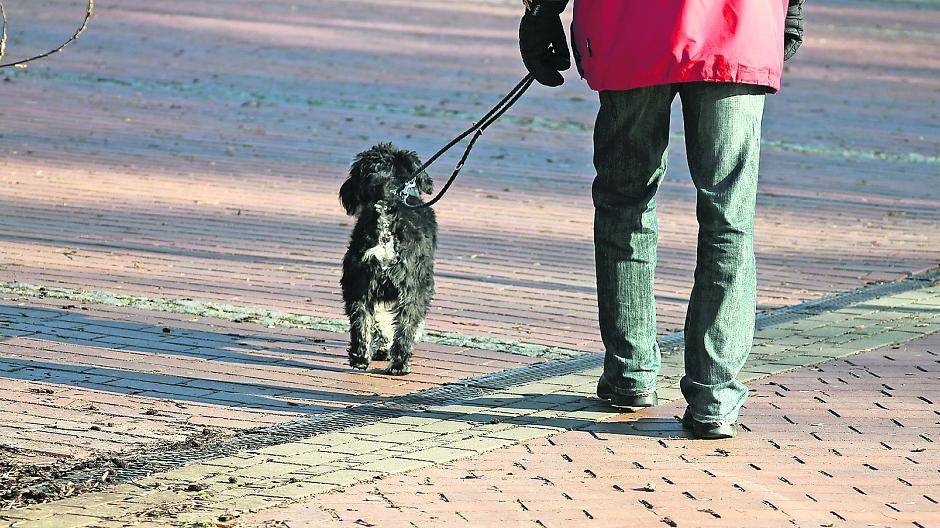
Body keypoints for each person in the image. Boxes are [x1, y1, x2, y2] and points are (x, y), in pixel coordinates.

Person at [519, 0, 804, 439]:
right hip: (735, 22)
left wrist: (541, 10)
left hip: (630, 21)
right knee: (727, 215)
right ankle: (714, 395)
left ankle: (630, 371)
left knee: (626, 198)